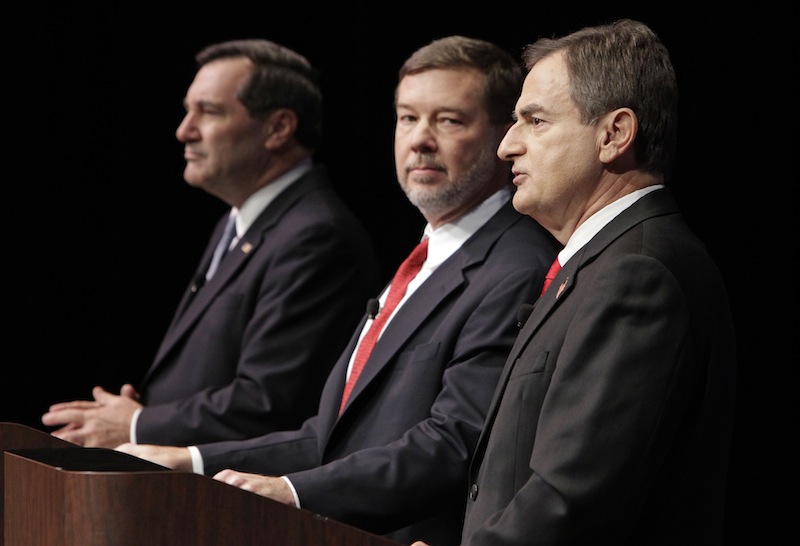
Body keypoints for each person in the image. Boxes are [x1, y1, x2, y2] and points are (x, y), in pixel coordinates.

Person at [115, 35, 561, 546]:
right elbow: (329, 438)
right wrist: (190, 460)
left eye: (449, 120)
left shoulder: (516, 267)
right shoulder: (425, 258)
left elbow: (454, 443)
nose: (419, 139)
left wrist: (294, 492)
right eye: (407, 117)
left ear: (503, 137)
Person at [412, 19, 738, 546]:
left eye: (534, 121)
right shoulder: (601, 266)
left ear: (614, 134)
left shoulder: (639, 275)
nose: (506, 147)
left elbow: (573, 499)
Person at [40, 39, 381, 449]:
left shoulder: (317, 236)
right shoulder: (235, 222)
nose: (184, 130)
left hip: (238, 501)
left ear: (278, 127)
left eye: (209, 111)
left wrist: (141, 425)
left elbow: (270, 401)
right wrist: (145, 412)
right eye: (188, 110)